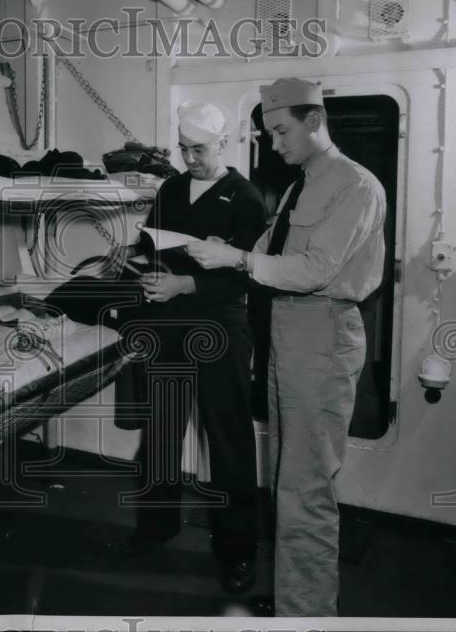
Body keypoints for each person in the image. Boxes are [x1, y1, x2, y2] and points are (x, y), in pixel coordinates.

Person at [187, 78, 386, 617]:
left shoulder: (354, 185)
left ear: (314, 121)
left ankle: (307, 616)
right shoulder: (304, 183)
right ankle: (299, 598)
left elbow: (318, 268)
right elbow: (271, 245)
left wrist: (240, 263)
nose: (274, 144)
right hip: (290, 332)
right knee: (288, 476)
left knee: (306, 488)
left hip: (320, 335)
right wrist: (223, 250)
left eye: (280, 131)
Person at [120, 100, 268, 595]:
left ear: (224, 145)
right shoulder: (172, 186)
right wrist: (137, 262)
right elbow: (150, 245)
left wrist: (187, 286)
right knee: (161, 436)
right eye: (183, 149)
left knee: (227, 440)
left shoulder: (246, 198)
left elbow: (250, 280)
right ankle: (154, 528)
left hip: (220, 329)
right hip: (167, 325)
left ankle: (237, 551)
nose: (189, 159)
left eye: (198, 150)